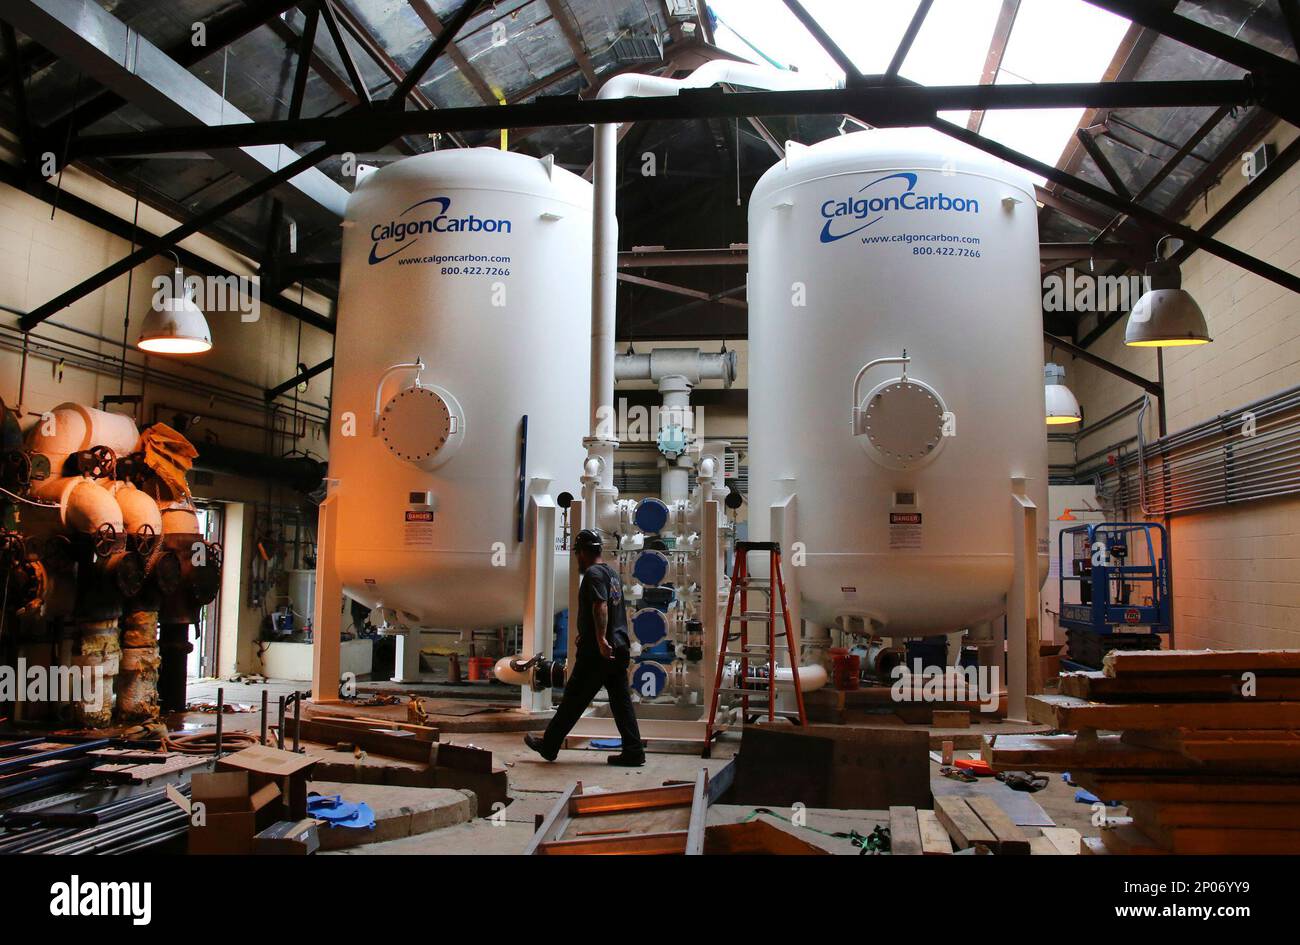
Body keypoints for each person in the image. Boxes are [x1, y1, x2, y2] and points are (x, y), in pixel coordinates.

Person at [524, 528, 645, 766]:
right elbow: (613, 609)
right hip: (618, 648)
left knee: (573, 698)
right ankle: (633, 750)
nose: (576, 558)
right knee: (621, 702)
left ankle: (549, 747)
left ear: (582, 553)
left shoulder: (593, 574)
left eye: (577, 553)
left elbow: (601, 606)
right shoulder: (612, 573)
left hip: (598, 653)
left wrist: (599, 640)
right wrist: (589, 634)